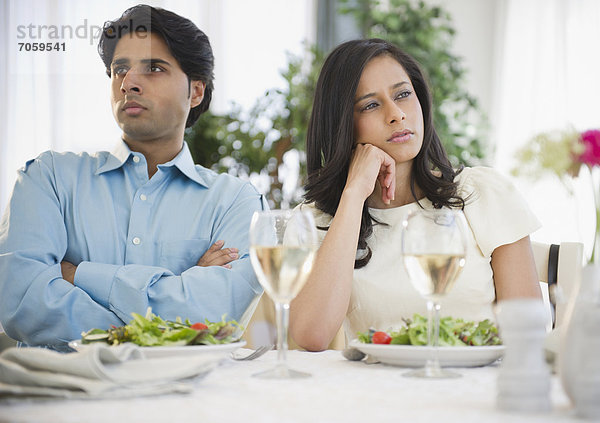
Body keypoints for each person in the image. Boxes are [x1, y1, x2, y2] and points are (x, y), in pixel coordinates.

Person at [0, 5, 265, 351]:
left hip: (190, 400)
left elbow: (217, 313)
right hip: (63, 399)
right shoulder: (48, 177)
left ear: (195, 92)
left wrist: (77, 274)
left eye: (153, 68)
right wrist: (172, 313)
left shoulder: (235, 201)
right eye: (119, 69)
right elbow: (22, 302)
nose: (128, 83)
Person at [289, 39, 542, 352]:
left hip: (477, 389)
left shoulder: (480, 192)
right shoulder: (316, 220)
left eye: (403, 94)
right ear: (342, 124)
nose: (396, 114)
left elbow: (528, 332)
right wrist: (353, 195)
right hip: (377, 394)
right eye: (370, 105)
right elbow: (311, 335)